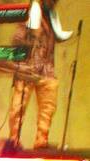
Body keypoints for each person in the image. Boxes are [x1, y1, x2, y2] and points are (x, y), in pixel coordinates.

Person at [6, 0, 73, 150]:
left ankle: (41, 141)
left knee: (48, 108)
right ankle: (14, 140)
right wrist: (30, 35)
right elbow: (16, 40)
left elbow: (58, 38)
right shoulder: (28, 13)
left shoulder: (52, 19)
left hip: (47, 69)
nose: (54, 3)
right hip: (27, 69)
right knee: (18, 108)